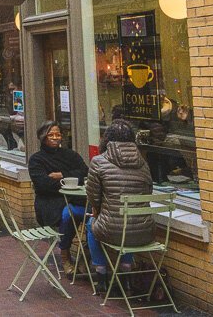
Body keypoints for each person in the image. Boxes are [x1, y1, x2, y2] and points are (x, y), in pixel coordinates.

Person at [85, 119, 152, 287]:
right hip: (146, 231)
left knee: (91, 225)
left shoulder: (98, 162)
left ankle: (101, 274)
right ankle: (126, 272)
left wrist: (98, 211)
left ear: (106, 139)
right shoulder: (143, 162)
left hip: (112, 230)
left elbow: (93, 197)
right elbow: (148, 191)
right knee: (128, 224)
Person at [26, 121, 89, 263]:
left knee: (93, 217)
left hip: (77, 199)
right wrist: (72, 178)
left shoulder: (70, 155)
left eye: (58, 134)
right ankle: (65, 253)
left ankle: (87, 255)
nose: (55, 138)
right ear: (43, 137)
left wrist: (62, 175)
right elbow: (43, 185)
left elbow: (85, 172)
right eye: (51, 135)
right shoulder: (36, 160)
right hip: (51, 202)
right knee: (68, 215)